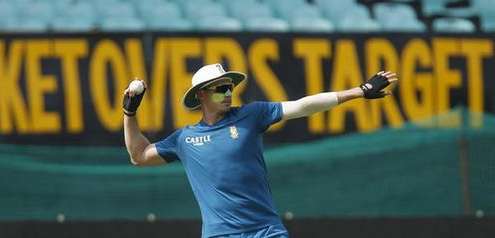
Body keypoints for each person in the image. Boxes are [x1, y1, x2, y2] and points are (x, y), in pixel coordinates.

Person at [122, 63, 398, 238]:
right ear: (201, 95)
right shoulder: (185, 138)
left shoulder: (251, 115)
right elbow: (139, 156)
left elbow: (303, 105)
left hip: (266, 231)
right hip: (220, 235)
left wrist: (358, 91)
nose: (228, 93)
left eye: (229, 87)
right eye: (220, 88)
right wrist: (129, 112)